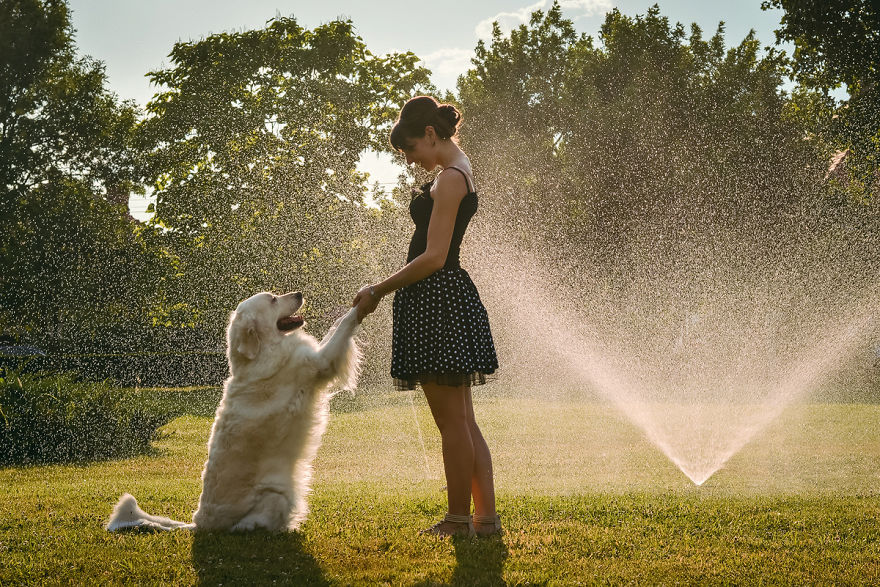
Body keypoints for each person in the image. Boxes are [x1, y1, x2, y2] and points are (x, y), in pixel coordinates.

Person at [352, 96, 501, 538]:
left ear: (431, 135)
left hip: (437, 300)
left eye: (411, 150)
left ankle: (458, 521)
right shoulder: (453, 171)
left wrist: (378, 289)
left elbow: (435, 256)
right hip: (440, 300)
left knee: (451, 422)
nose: (411, 161)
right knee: (463, 420)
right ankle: (485, 520)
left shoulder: (452, 178)